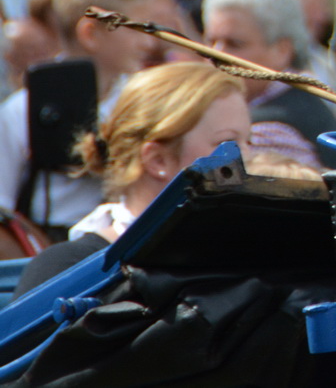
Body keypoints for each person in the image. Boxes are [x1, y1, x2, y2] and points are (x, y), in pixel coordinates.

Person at [14, 62, 250, 293]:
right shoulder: (67, 269)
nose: (250, 157)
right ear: (159, 160)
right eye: (226, 143)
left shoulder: (249, 254)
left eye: (249, 141)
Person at [0, 0, 157, 233]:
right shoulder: (21, 110)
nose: (148, 42)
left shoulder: (145, 103)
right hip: (41, 249)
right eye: (135, 28)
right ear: (90, 34)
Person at [202, 0, 336, 171]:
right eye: (210, 42)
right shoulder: (297, 98)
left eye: (235, 44)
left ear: (282, 50)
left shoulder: (267, 133)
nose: (216, 55)